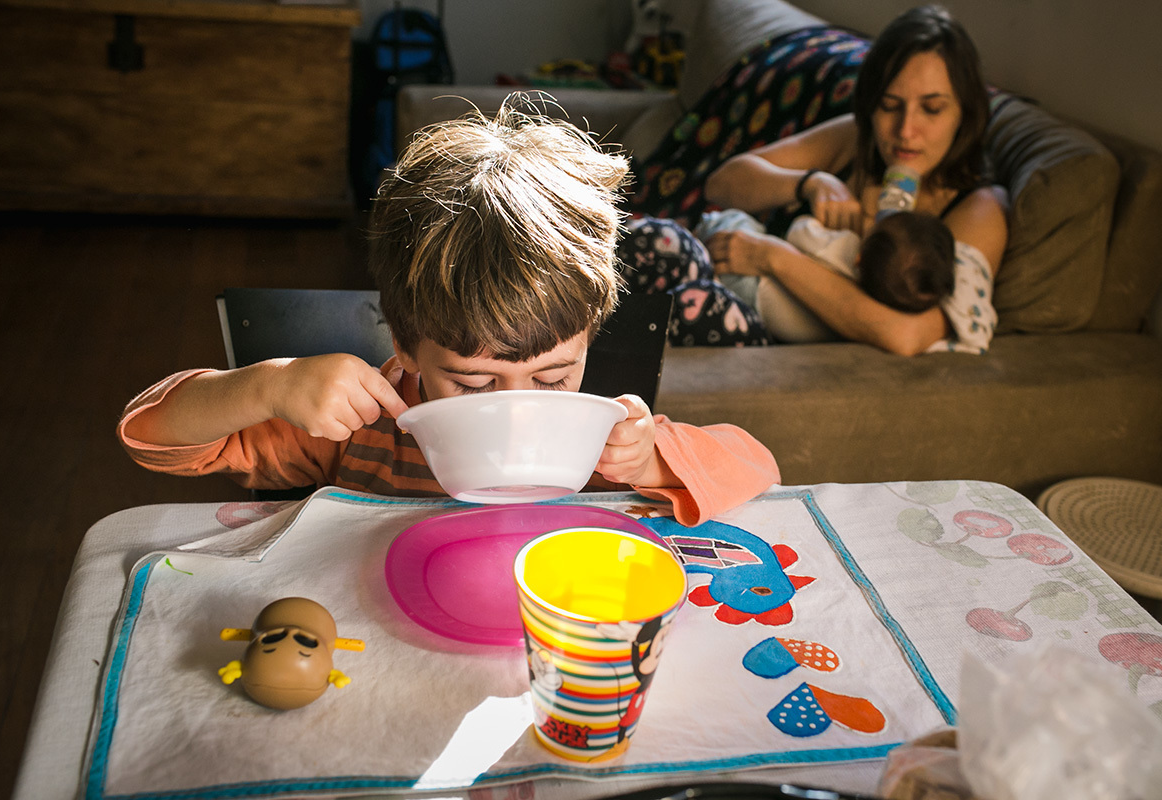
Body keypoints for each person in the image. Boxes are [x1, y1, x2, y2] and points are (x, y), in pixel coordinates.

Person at [116, 99, 780, 526]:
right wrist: (269, 384)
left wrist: (649, 460)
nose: (520, 408)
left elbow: (759, 470)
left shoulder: (599, 440)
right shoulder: (358, 430)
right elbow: (150, 434)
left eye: (552, 378)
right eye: (473, 382)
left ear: (588, 337)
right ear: (405, 346)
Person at [621, 4, 1006, 356]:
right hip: (722, 272)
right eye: (890, 105)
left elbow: (906, 336)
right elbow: (722, 183)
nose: (906, 130)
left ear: (965, 113)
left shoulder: (978, 210)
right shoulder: (859, 139)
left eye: (932, 109)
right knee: (642, 247)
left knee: (665, 308)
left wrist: (770, 257)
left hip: (762, 327)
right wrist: (810, 182)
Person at [694, 208, 959, 344]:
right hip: (751, 317)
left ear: (859, 258)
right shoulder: (870, 315)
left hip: (745, 280)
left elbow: (799, 231)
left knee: (739, 222)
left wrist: (831, 225)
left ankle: (698, 232)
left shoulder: (843, 247)